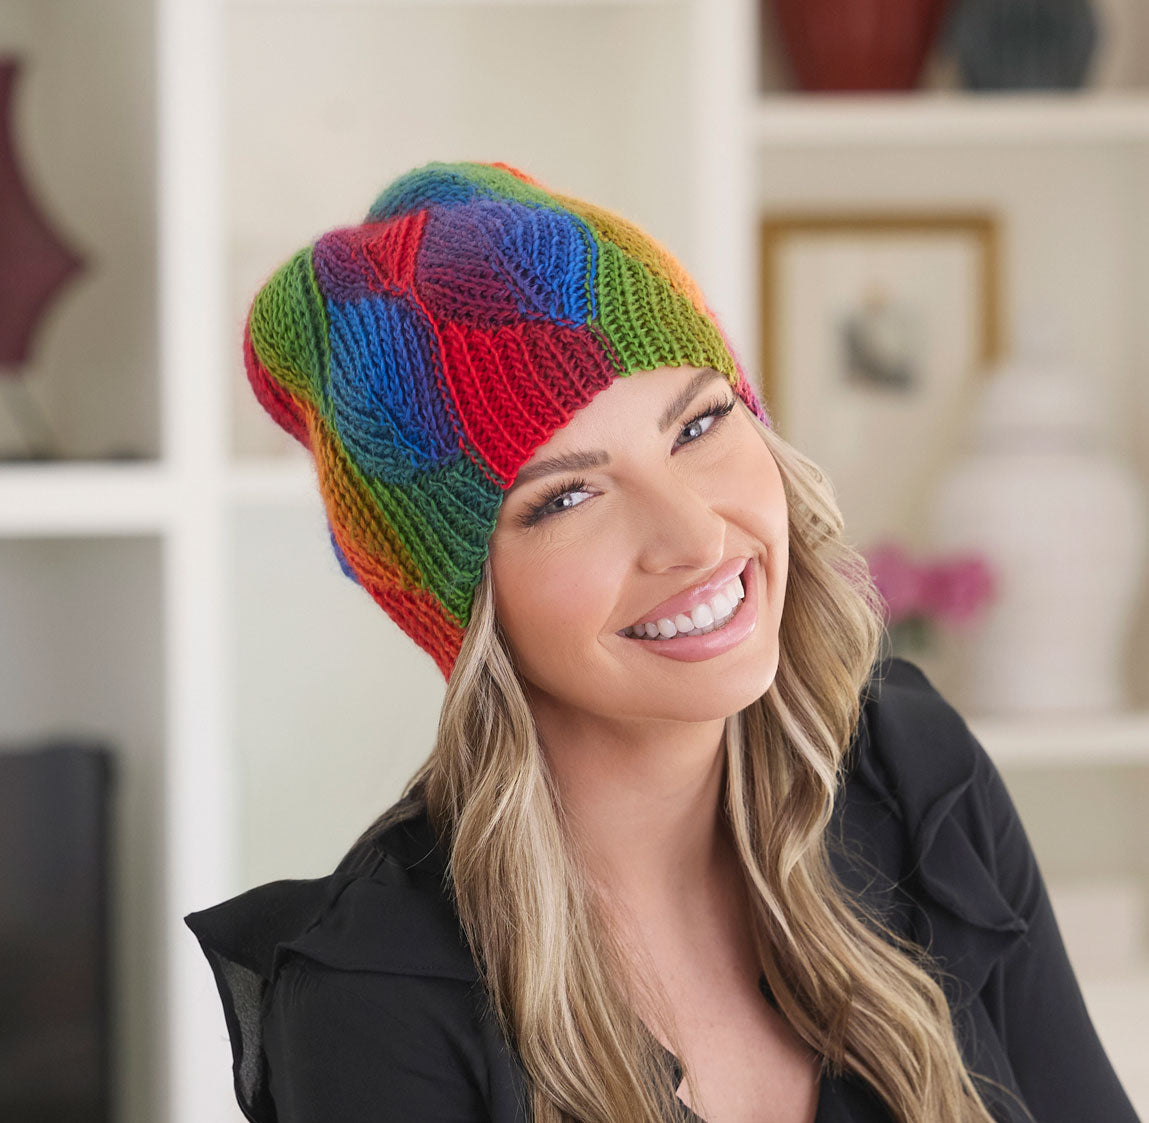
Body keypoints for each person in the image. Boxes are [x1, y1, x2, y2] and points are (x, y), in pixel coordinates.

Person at [185, 161, 1140, 1123]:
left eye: (698, 424)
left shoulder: (913, 778)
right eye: (567, 496)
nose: (694, 535)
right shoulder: (375, 997)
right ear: (461, 606)